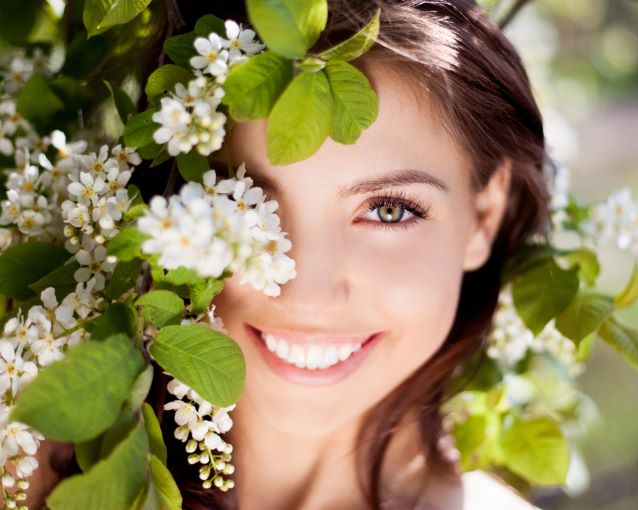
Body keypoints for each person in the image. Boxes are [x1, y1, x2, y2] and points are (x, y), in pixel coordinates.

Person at [24, 1, 550, 508]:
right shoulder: (24, 469)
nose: (306, 295)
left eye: (389, 210)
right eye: (243, 204)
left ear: (484, 216)